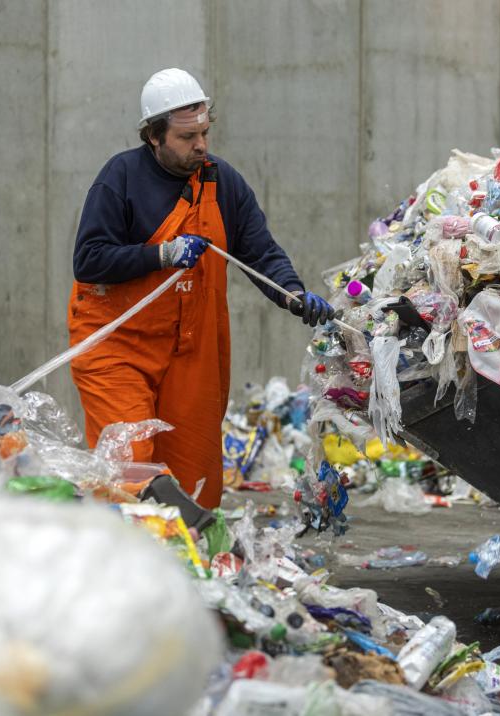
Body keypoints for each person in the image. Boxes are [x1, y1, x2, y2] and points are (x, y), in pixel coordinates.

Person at [68, 68, 334, 509]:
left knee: (196, 483)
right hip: (117, 347)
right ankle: (128, 565)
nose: (201, 146)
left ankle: (188, 572)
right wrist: (162, 255)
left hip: (189, 351)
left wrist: (292, 294)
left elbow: (260, 252)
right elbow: (89, 259)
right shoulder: (120, 178)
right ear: (154, 136)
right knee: (131, 471)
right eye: (187, 137)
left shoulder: (221, 180)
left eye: (205, 133)